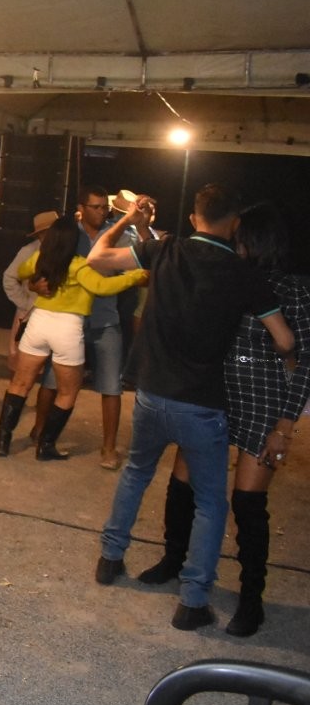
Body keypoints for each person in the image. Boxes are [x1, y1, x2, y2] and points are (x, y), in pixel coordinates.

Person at [91, 185, 294, 632]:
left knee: (136, 474)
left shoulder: (166, 251)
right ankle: (192, 601)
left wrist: (127, 220)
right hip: (201, 404)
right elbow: (284, 340)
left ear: (193, 218)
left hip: (150, 394)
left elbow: (97, 258)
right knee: (210, 503)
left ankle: (110, 558)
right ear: (235, 223)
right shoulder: (243, 273)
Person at [134, 203, 309, 637]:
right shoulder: (227, 273)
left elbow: (304, 361)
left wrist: (285, 425)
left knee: (248, 503)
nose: (231, 239)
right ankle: (174, 559)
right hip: (210, 392)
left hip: (264, 401)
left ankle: (251, 600)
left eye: (238, 234)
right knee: (182, 483)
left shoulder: (294, 290)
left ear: (254, 239)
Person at [0, 215, 146, 459]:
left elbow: (21, 271)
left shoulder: (40, 259)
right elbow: (103, 287)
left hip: (38, 324)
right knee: (67, 392)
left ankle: (2, 440)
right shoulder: (79, 266)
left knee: (20, 383)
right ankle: (46, 446)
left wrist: (35, 282)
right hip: (67, 329)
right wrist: (136, 276)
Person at [73, 185, 147, 470]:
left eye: (105, 207)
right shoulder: (69, 233)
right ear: (81, 208)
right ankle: (44, 434)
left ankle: (108, 447)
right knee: (56, 382)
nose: (102, 212)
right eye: (96, 207)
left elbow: (144, 257)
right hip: (71, 317)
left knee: (111, 385)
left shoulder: (119, 234)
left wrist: (142, 226)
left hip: (106, 318)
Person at [1, 210, 60, 441]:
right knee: (19, 369)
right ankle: (9, 424)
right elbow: (9, 277)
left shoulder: (64, 252)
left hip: (52, 316)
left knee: (50, 374)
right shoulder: (30, 251)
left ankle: (36, 425)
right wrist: (25, 303)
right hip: (29, 315)